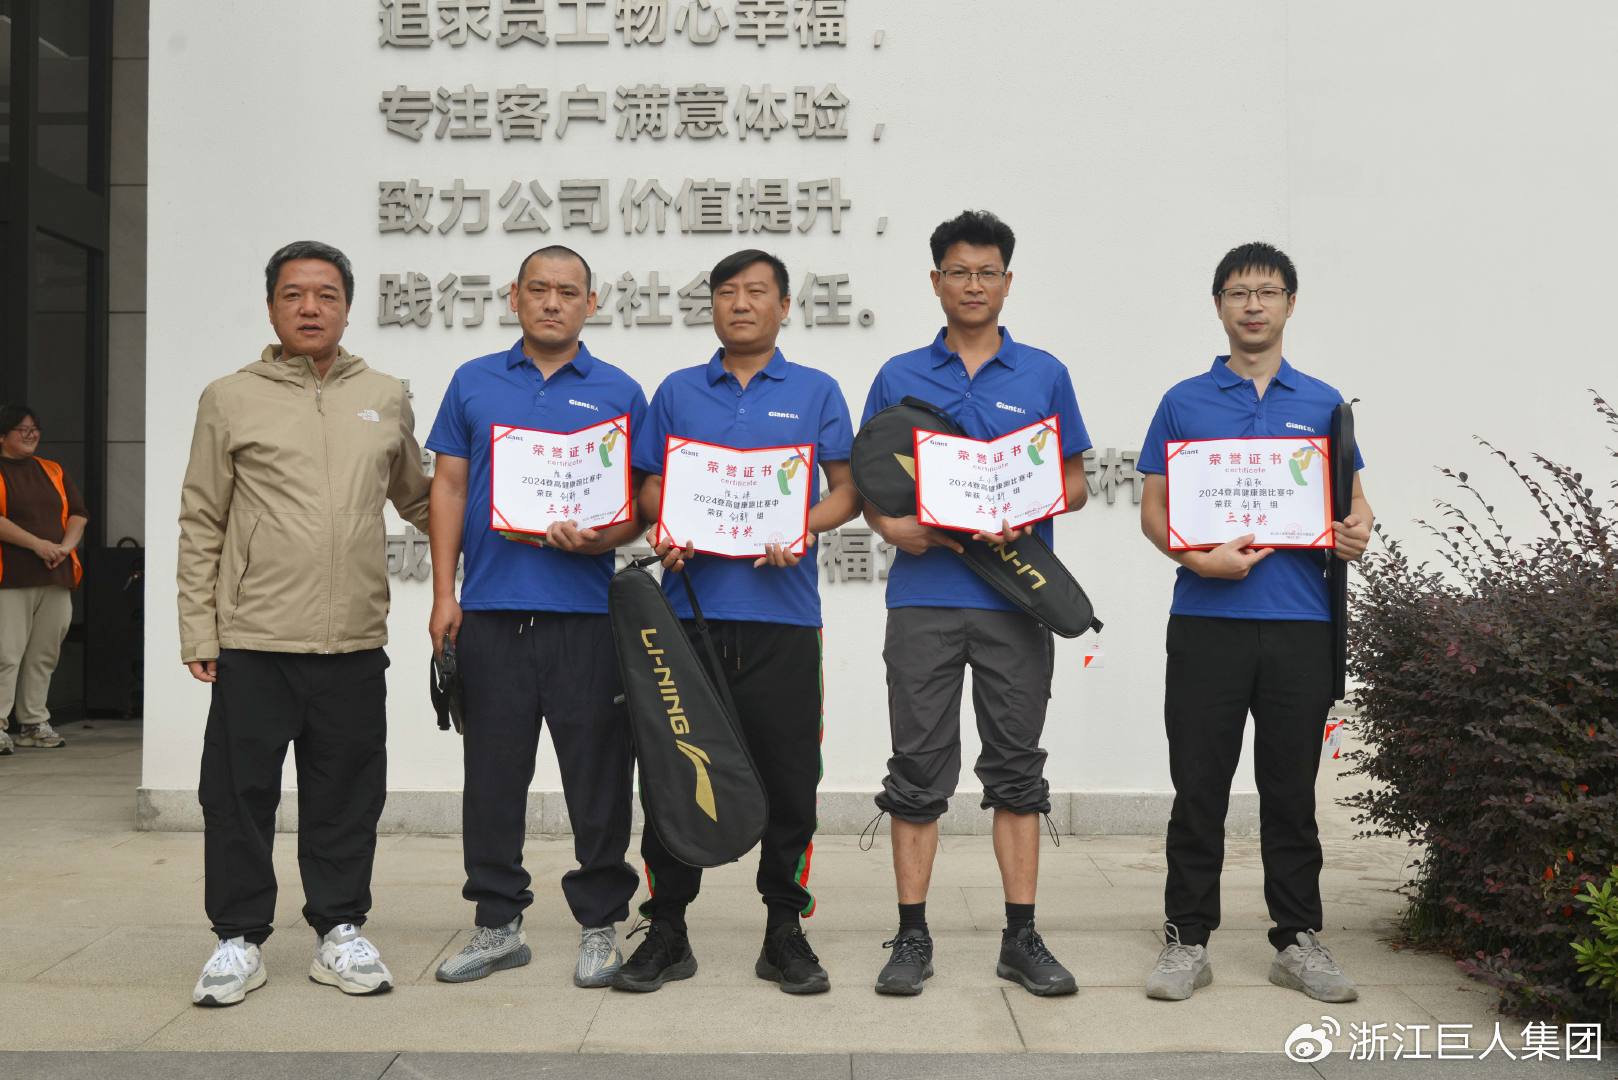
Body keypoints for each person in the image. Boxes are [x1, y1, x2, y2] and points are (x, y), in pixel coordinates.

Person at [178, 240, 431, 1007]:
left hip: (352, 639)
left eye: (326, 295)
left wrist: (512, 526)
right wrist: (199, 630)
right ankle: (238, 939)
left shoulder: (384, 395)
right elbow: (202, 518)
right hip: (254, 638)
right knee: (238, 796)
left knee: (347, 796)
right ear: (271, 308)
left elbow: (421, 499)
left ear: (348, 308)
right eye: (294, 295)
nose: (310, 308)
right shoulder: (230, 397)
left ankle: (340, 930)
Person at [614, 248, 859, 995]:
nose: (741, 303)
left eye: (757, 292)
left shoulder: (816, 391)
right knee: (673, 770)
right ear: (712, 306)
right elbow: (648, 489)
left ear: (785, 306)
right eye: (727, 292)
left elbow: (847, 491)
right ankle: (666, 927)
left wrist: (803, 526)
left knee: (791, 778)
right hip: (688, 621)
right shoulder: (678, 391)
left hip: (784, 620)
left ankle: (784, 929)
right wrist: (670, 525)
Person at [860, 210, 1092, 997]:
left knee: (1017, 769)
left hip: (1015, 601)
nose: (973, 285)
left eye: (987, 272)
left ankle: (1020, 937)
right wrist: (893, 527)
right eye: (958, 272)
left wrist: (1027, 506)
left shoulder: (1044, 374)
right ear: (936, 281)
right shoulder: (898, 375)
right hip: (922, 599)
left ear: (1007, 282)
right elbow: (873, 485)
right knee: (917, 769)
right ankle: (912, 936)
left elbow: (1075, 482)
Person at [1136, 241, 1372, 1003]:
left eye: (1267, 292)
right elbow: (1155, 511)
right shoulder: (1183, 401)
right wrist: (1198, 560)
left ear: (1290, 304)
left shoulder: (1325, 403)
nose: (1253, 305)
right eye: (1238, 292)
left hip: (1301, 622)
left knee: (1291, 792)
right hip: (1206, 620)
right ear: (1219, 306)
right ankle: (1186, 938)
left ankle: (1297, 939)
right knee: (1198, 786)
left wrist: (1358, 530)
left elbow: (1355, 505)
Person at [426, 245, 647, 988]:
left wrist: (604, 537)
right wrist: (445, 594)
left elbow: (638, 505)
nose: (553, 302)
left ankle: (600, 925)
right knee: (492, 777)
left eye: (569, 292)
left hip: (586, 617)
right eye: (540, 289)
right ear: (513, 296)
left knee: (599, 778)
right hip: (490, 612)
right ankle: (497, 924)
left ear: (592, 303)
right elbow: (448, 489)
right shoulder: (473, 381)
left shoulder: (619, 391)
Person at [0, 405, 87, 755]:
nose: (31, 434)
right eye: (22, 429)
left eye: (34, 428)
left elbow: (78, 514)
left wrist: (65, 547)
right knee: (6, 653)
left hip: (55, 574)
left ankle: (34, 722)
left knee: (44, 654)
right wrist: (38, 545)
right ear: (2, 436)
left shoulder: (52, 469)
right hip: (9, 578)